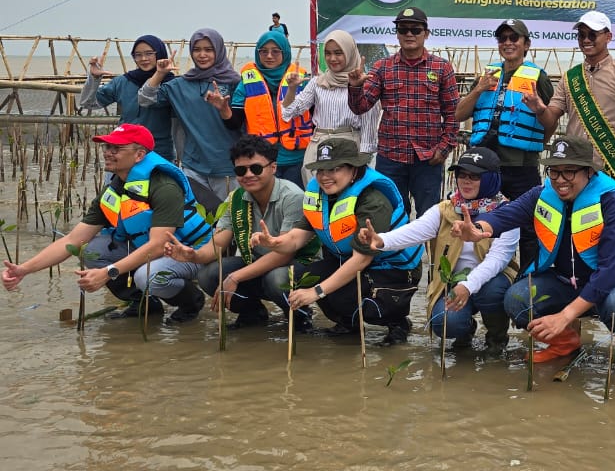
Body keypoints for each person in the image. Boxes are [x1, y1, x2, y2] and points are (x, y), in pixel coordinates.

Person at [450, 136, 615, 369]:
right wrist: (478, 229)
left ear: (589, 172)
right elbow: (506, 215)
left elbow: (610, 272)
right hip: (568, 279)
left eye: (569, 172)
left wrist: (565, 316)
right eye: (554, 172)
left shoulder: (613, 201)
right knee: (517, 299)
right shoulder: (543, 193)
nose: (560, 181)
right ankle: (564, 343)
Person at [2, 124, 213, 324]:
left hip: (190, 252)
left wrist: (108, 272)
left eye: (117, 148)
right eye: (107, 146)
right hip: (152, 250)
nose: (108, 152)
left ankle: (190, 303)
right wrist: (23, 269)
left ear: (139, 155)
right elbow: (73, 240)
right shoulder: (115, 189)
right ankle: (145, 305)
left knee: (147, 276)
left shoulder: (164, 186)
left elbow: (158, 245)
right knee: (91, 251)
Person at [257, 137, 424, 345]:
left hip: (391, 269)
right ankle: (348, 323)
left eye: (334, 169)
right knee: (280, 279)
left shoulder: (372, 200)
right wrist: (274, 243)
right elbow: (296, 236)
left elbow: (361, 260)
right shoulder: (319, 193)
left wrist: (316, 292)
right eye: (320, 170)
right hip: (347, 261)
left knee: (336, 295)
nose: (325, 177)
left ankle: (397, 321)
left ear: (354, 169)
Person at [359, 147, 520, 354]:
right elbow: (416, 230)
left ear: (490, 178)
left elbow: (497, 260)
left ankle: (497, 339)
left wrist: (468, 286)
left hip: (490, 280)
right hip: (453, 280)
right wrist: (381, 240)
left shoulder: (508, 212)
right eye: (462, 175)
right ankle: (465, 332)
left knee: (492, 291)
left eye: (475, 176)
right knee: (444, 322)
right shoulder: (446, 208)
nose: (466, 181)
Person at [166, 135, 320, 331]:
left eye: (255, 168)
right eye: (241, 170)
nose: (248, 175)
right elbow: (218, 243)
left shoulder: (293, 196)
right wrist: (193, 255)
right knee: (209, 275)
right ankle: (252, 313)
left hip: (297, 263)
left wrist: (236, 277)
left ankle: (300, 315)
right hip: (258, 263)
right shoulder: (235, 198)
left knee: (276, 279)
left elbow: (284, 254)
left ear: (273, 168)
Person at [454, 19, 553, 265]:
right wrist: (478, 90)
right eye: (502, 38)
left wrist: (536, 124)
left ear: (526, 44)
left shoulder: (538, 77)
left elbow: (549, 121)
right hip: (485, 168)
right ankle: (483, 273)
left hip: (521, 166)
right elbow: (458, 115)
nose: (507, 43)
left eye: (514, 38)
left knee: (529, 227)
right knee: (481, 222)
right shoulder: (488, 75)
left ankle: (529, 277)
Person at [347, 7, 459, 217]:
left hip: (428, 158)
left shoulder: (442, 68)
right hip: (391, 157)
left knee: (430, 218)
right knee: (391, 215)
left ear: (426, 33)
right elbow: (361, 106)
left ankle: (430, 252)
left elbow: (453, 113)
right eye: (403, 29)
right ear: (397, 33)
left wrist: (444, 148)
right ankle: (397, 252)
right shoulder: (382, 67)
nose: (409, 34)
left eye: (415, 30)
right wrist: (354, 86)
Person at [523, 11, 615, 181]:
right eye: (581, 35)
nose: (586, 40)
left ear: (608, 37)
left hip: (611, 165)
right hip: (574, 167)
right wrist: (540, 110)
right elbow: (551, 118)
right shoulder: (570, 77)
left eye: (592, 35)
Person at [138, 27, 240, 211]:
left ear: (218, 50)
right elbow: (145, 99)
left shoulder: (234, 83)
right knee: (198, 218)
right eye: (197, 49)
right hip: (193, 166)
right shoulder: (179, 85)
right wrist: (159, 73)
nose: (202, 55)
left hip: (229, 167)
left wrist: (225, 109)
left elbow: (242, 121)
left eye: (208, 50)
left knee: (229, 220)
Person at [206, 31, 313, 188]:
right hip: (261, 162)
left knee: (295, 206)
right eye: (264, 51)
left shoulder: (303, 81)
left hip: (297, 160)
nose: (269, 56)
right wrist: (224, 109)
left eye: (275, 51)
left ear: (286, 52)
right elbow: (234, 123)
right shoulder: (246, 83)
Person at [279, 29, 379, 176]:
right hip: (318, 149)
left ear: (350, 53)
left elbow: (369, 131)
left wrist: (364, 162)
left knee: (347, 195)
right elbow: (289, 112)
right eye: (328, 53)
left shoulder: (364, 84)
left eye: (338, 53)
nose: (332, 58)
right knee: (316, 194)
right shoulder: (317, 83)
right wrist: (292, 88)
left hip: (350, 149)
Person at [78, 35, 177, 162]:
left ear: (160, 54)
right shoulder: (123, 82)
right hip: (122, 152)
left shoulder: (172, 84)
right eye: (138, 54)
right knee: (115, 182)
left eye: (149, 53)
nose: (143, 58)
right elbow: (88, 103)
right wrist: (94, 78)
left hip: (158, 154)